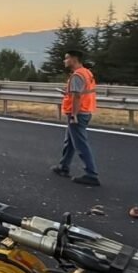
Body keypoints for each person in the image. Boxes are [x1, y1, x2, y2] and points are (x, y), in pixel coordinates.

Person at [50, 50, 100, 186]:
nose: (64, 61)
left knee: (80, 144)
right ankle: (63, 167)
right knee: (70, 142)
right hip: (86, 110)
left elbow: (77, 96)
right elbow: (82, 92)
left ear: (74, 59)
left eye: (66, 58)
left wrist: (74, 115)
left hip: (79, 112)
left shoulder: (77, 75)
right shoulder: (86, 72)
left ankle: (91, 174)